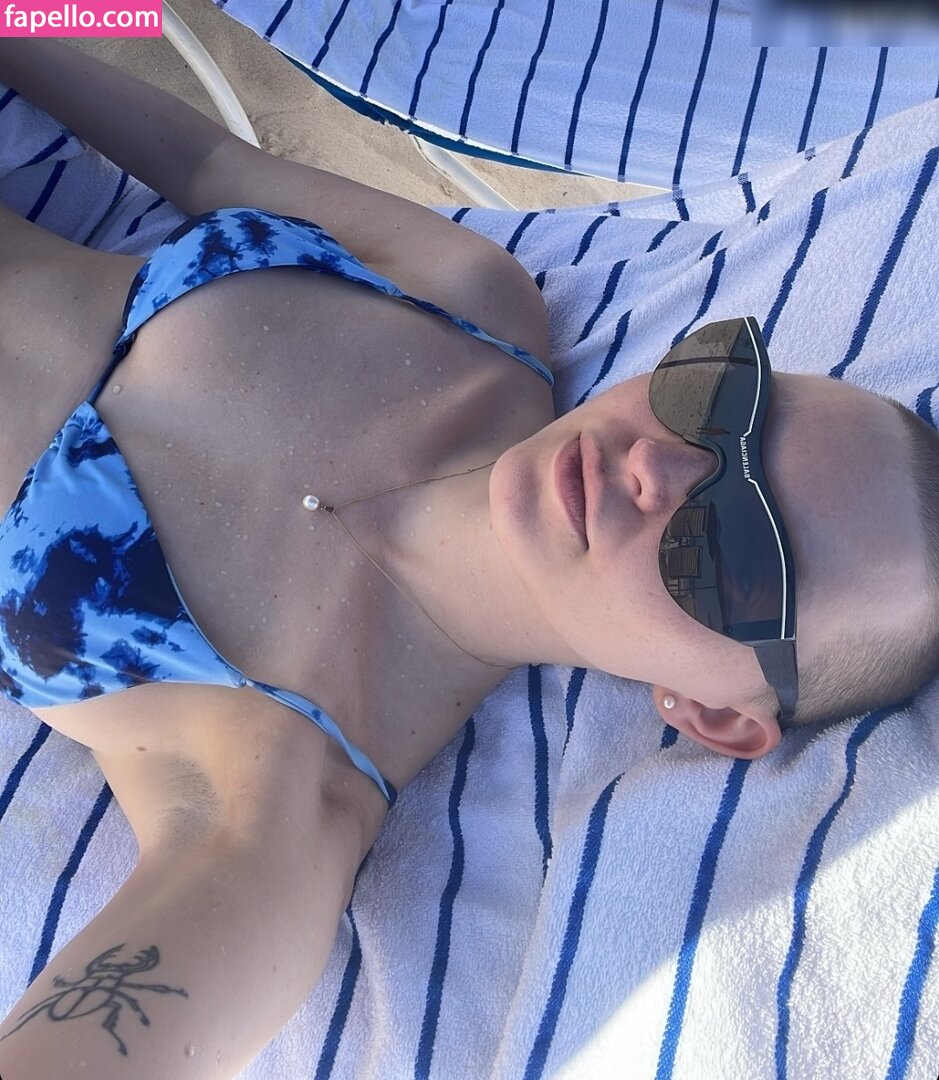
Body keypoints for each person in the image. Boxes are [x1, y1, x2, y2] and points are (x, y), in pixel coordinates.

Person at [0, 37, 935, 1080]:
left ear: (714, 714)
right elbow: (208, 161)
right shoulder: (474, 301)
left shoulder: (275, 802)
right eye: (723, 400)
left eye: (736, 550)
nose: (659, 466)